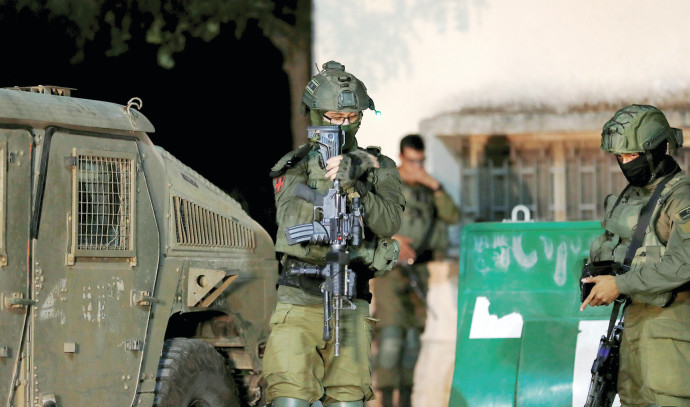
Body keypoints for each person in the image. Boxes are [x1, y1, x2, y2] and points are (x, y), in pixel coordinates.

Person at [263, 60, 405, 407]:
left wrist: (355, 185)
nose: (343, 125)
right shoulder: (295, 164)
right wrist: (326, 183)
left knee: (348, 400)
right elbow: (289, 217)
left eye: (351, 118)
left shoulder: (378, 167)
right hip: (299, 297)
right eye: (333, 117)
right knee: (289, 400)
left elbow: (388, 223)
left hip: (352, 299)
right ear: (314, 114)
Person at [581, 104, 690, 406]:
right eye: (621, 157)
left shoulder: (682, 196)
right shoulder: (634, 194)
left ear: (656, 150)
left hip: (674, 329)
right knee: (632, 399)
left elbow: (685, 262)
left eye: (633, 156)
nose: (626, 164)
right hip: (633, 325)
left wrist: (621, 284)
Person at [373, 134, 460, 407]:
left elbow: (453, 216)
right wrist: (393, 240)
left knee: (412, 341)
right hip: (390, 270)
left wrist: (434, 186)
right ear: (401, 157)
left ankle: (407, 400)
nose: (417, 166)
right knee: (390, 338)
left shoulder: (427, 187)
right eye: (412, 161)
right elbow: (367, 223)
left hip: (419, 271)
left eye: (421, 161)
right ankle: (385, 400)